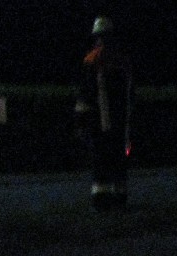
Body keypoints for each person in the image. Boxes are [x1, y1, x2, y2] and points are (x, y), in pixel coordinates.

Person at [74, 16, 133, 210]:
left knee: (101, 162)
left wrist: (81, 123)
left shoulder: (92, 60)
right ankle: (119, 199)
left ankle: (101, 201)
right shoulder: (122, 60)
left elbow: (84, 95)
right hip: (120, 123)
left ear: (97, 37)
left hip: (99, 123)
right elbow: (129, 94)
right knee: (118, 160)